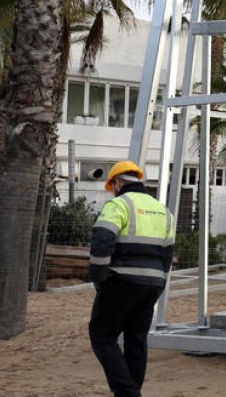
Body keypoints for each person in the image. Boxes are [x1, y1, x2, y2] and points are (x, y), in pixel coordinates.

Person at [88, 160, 176, 397]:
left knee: (102, 335)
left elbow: (101, 241)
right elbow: (168, 255)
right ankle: (132, 391)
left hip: (121, 281)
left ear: (117, 182)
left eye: (112, 185)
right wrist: (159, 284)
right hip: (153, 284)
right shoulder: (162, 210)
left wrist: (99, 279)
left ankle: (127, 393)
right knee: (136, 339)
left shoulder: (118, 204)